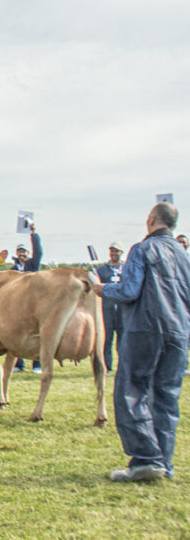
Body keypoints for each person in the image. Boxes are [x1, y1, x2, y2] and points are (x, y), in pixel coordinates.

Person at [92, 202, 190, 482]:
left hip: (146, 328)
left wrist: (103, 289)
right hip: (179, 332)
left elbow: (130, 289)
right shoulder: (184, 254)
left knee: (132, 390)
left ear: (151, 220)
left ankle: (146, 459)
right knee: (167, 396)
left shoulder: (143, 249)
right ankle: (164, 461)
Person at [12, 222, 44, 372]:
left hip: (33, 302)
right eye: (19, 251)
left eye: (24, 251)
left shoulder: (33, 264)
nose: (22, 254)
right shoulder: (13, 269)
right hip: (18, 303)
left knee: (36, 333)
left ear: (28, 253)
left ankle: (37, 364)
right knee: (18, 333)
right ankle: (19, 364)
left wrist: (34, 233)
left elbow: (39, 252)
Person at [95, 242, 126, 374]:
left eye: (116, 251)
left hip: (122, 309)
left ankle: (123, 366)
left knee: (123, 340)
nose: (113, 253)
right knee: (106, 340)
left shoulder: (126, 268)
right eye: (112, 251)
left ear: (121, 253)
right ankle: (107, 367)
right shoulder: (102, 270)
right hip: (106, 309)